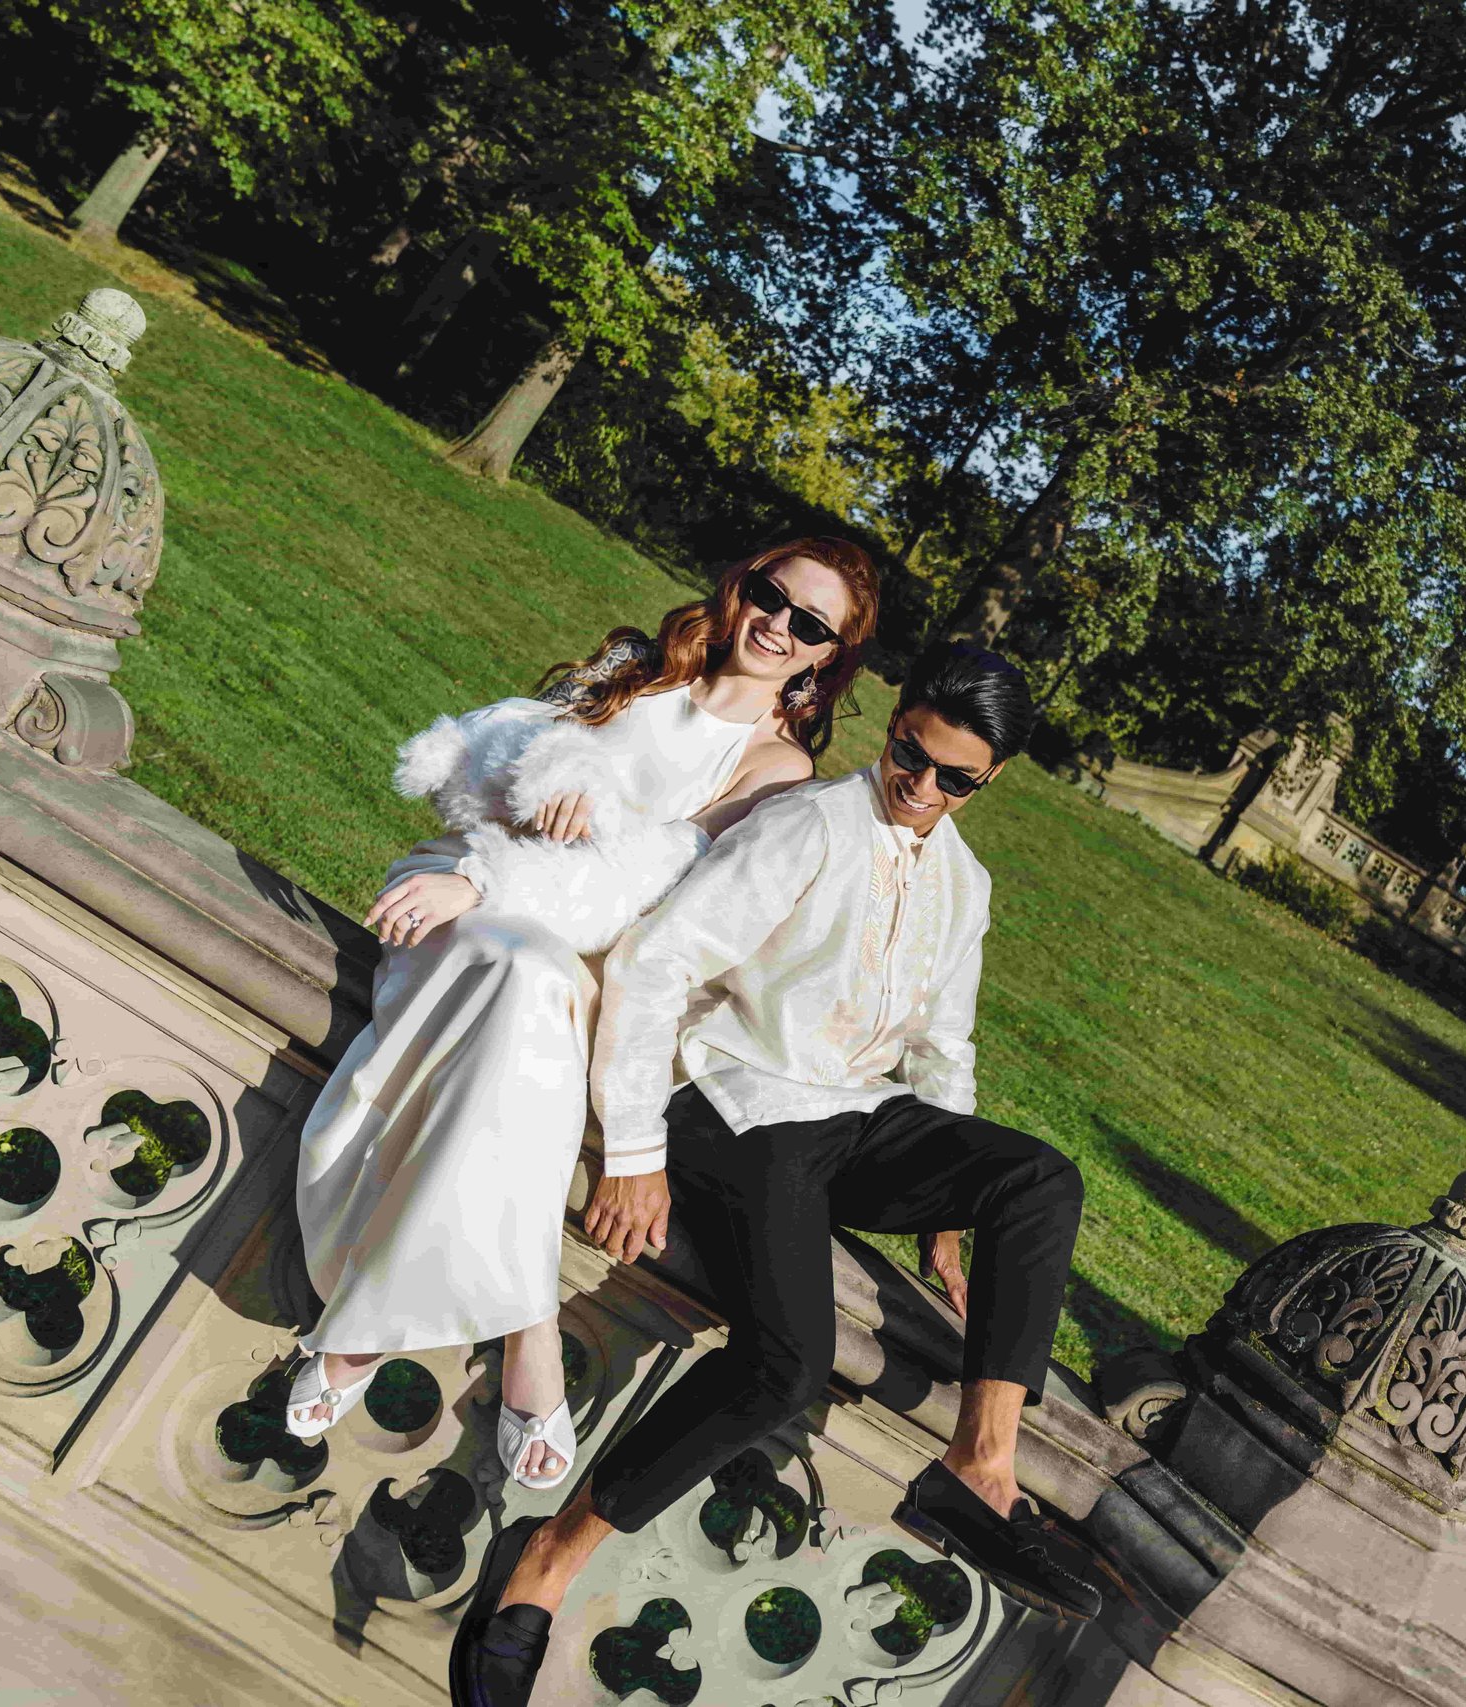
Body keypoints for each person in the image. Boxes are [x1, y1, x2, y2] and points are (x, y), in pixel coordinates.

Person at [448, 642, 1101, 1707]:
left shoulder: (965, 883)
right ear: (895, 724)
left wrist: (947, 1210)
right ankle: (550, 1558)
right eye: (909, 756)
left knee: (1042, 1181)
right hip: (740, 1106)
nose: (920, 786)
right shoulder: (807, 826)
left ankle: (980, 1467)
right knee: (784, 1365)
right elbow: (657, 965)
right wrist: (635, 1149)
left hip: (857, 1121)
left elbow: (944, 1045)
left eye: (954, 780)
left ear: (992, 782)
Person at [286, 539, 880, 1492]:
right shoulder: (638, 669)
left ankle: (366, 1333)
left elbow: (643, 882)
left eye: (810, 623)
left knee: (534, 987)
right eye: (772, 595)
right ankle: (529, 1331)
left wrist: (490, 878)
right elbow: (477, 756)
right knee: (524, 981)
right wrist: (518, 800)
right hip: (457, 894)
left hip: (560, 942)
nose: (778, 624)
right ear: (742, 586)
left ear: (828, 656)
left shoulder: (776, 770)